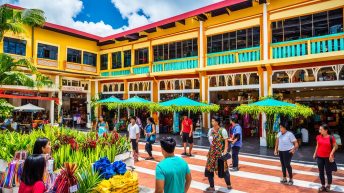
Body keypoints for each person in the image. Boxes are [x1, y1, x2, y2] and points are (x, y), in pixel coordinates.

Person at [205, 116, 232, 191]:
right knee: (209, 170)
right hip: (212, 153)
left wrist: (225, 152)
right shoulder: (210, 130)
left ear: (217, 122)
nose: (212, 122)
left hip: (220, 154)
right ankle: (212, 186)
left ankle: (229, 184)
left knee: (224, 170)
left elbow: (226, 142)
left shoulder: (223, 131)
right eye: (212, 121)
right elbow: (210, 141)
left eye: (213, 121)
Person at [313, 124, 338, 192]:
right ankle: (323, 185)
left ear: (326, 130)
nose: (319, 131)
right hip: (319, 157)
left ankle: (328, 185)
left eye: (321, 129)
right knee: (321, 172)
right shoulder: (318, 137)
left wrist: (331, 153)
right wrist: (315, 153)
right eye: (319, 129)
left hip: (328, 158)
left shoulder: (331, 138)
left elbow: (335, 147)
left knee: (328, 172)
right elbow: (317, 146)